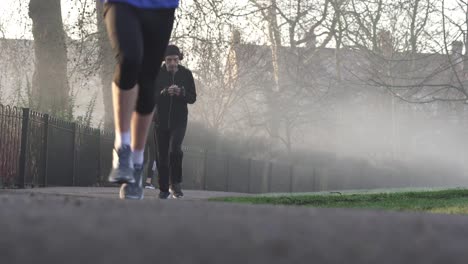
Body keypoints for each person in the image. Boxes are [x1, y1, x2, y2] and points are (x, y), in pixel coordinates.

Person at [103, 0, 179, 200]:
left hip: (161, 7)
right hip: (122, 3)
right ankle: (123, 146)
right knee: (129, 59)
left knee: (147, 82)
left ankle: (136, 166)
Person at [154, 44, 196, 199]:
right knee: (162, 155)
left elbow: (192, 98)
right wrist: (164, 92)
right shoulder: (157, 74)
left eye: (175, 59)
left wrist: (181, 92)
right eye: (169, 60)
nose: (172, 63)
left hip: (179, 120)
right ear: (164, 60)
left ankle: (176, 184)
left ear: (180, 59)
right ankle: (164, 188)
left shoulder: (186, 74)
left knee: (175, 150)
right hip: (161, 121)